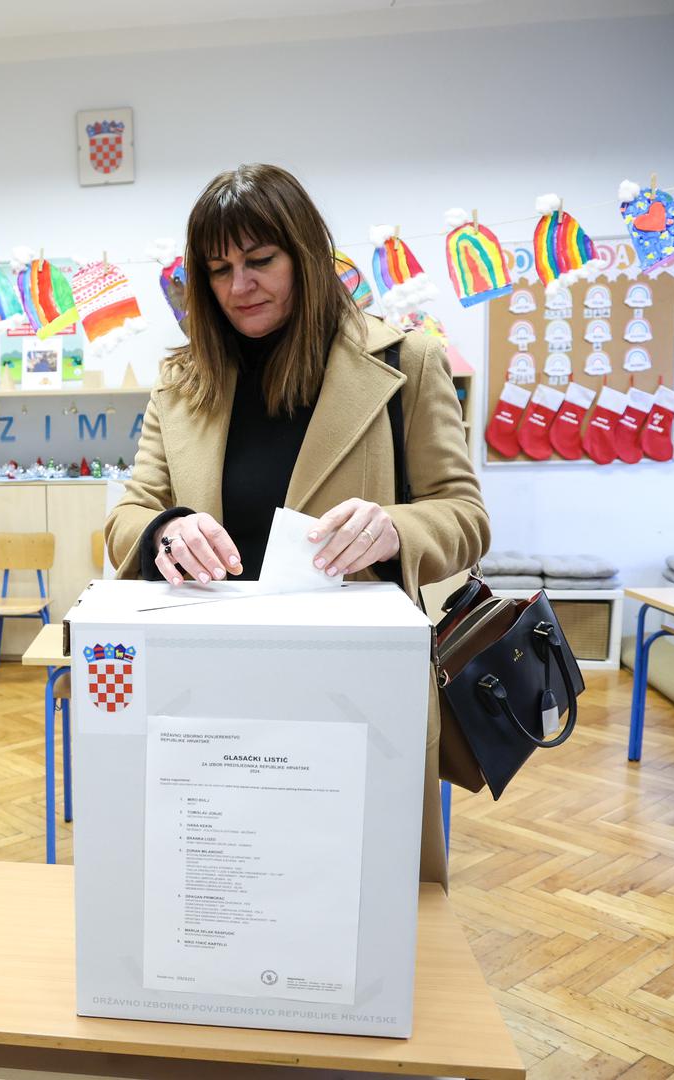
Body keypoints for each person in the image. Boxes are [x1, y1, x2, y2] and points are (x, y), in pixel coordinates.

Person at [104, 164, 489, 887]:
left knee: (350, 896)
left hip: (352, 687)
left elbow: (464, 515)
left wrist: (395, 529)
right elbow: (128, 514)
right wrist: (164, 532)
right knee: (224, 890)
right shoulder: (182, 380)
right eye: (217, 269)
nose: (237, 286)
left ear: (306, 255)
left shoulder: (406, 360)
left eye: (259, 261)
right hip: (207, 689)